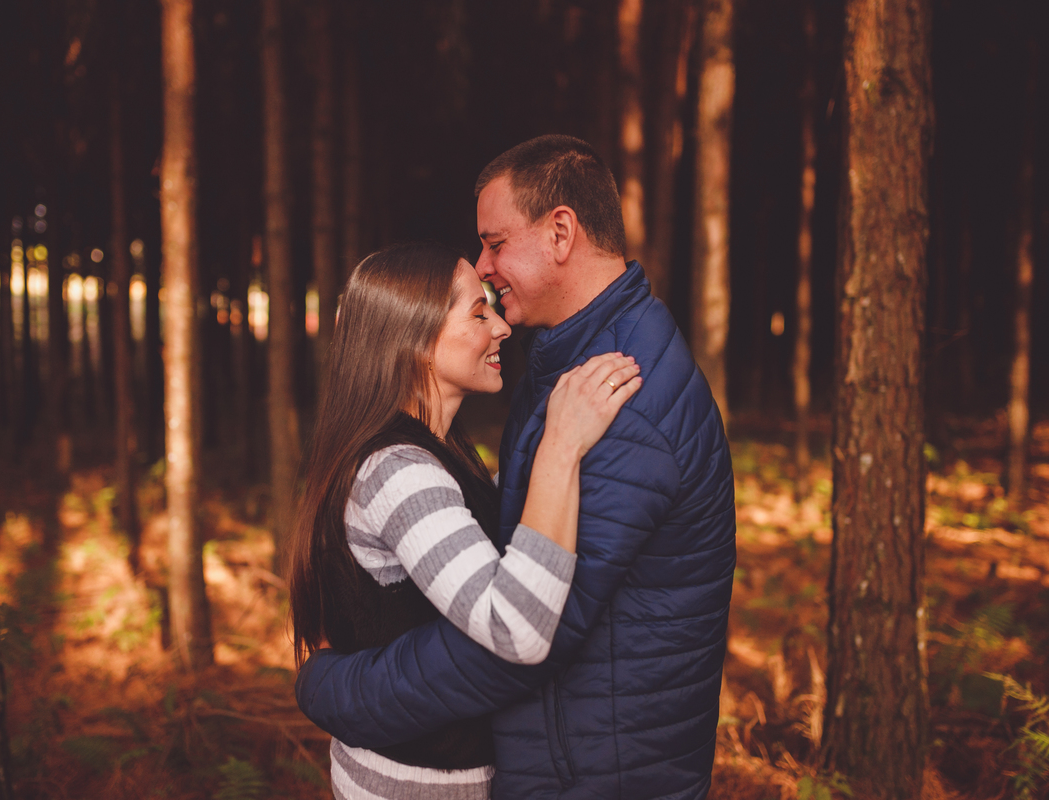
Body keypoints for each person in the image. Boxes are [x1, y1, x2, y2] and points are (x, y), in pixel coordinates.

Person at [296, 135, 737, 800]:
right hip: (560, 759)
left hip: (598, 773)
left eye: (495, 243)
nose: (484, 264)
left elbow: (527, 632)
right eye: (475, 306)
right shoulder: (565, 364)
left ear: (561, 232)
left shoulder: (617, 394)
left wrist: (335, 691)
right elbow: (511, 557)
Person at [286, 241, 643, 799]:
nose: (501, 328)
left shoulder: (436, 451)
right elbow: (514, 627)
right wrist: (561, 446)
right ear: (412, 341)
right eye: (478, 313)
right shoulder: (398, 471)